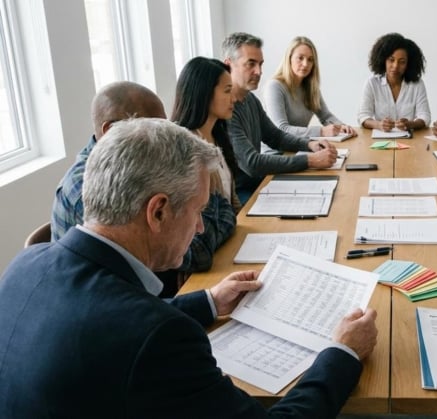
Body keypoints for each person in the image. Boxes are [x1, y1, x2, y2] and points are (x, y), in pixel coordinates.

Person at [0, 118, 378, 417]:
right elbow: (134, 332)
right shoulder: (159, 339)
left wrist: (211, 301)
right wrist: (341, 353)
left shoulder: (24, 266)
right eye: (197, 210)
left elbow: (105, 320)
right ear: (158, 211)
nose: (200, 227)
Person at [222, 32, 338, 204]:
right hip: (241, 193)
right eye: (251, 64)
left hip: (260, 181)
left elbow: (275, 136)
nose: (259, 71)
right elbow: (252, 163)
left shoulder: (250, 100)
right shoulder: (226, 107)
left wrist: (309, 144)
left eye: (260, 64)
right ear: (229, 65)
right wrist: (310, 160)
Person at [51, 81, 166, 241]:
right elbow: (154, 248)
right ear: (112, 132)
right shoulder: (85, 188)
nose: (165, 140)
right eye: (155, 130)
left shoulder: (130, 164)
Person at [170, 56, 240, 289]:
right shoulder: (184, 148)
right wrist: (229, 218)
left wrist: (232, 219)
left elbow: (229, 206)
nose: (234, 98)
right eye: (227, 91)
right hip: (203, 271)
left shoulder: (217, 134)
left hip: (229, 246)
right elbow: (202, 234)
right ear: (204, 93)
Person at [264, 36, 357, 138]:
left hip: (297, 147)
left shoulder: (311, 88)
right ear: (289, 58)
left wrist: (342, 127)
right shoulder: (274, 86)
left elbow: (326, 116)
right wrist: (321, 132)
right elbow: (281, 129)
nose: (305, 64)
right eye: (300, 58)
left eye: (310, 60)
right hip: (277, 152)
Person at [357, 32, 431, 132]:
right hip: (380, 140)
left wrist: (410, 124)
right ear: (383, 60)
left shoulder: (417, 84)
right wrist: (379, 125)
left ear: (408, 64)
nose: (395, 66)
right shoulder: (372, 83)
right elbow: (363, 116)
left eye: (402, 62)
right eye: (391, 60)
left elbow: (425, 117)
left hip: (410, 140)